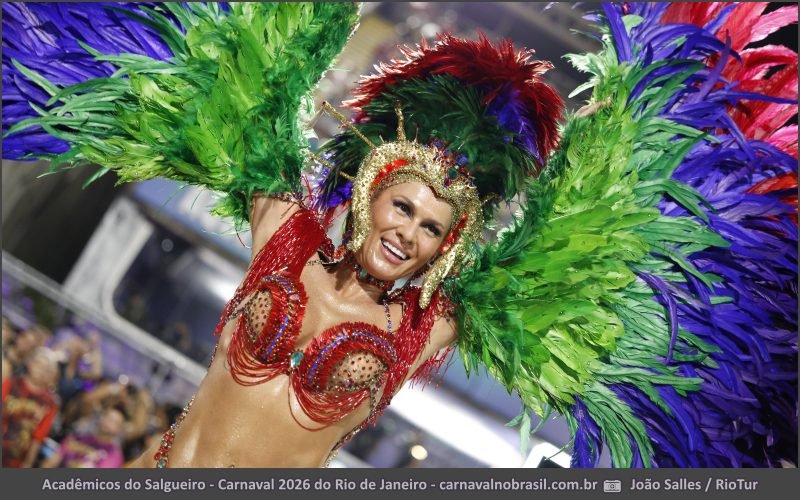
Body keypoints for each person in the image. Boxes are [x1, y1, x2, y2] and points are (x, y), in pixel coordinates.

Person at [3, 3, 796, 469]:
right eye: (402, 207)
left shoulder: (427, 325)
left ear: (449, 243)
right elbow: (247, 101)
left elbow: (558, 274)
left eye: (430, 227)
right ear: (374, 184)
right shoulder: (284, 232)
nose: (407, 232)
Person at [2, 347, 60, 467]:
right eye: (40, 365)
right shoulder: (11, 383)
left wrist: (27, 464)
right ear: (30, 363)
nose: (42, 371)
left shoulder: (50, 403)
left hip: (15, 457)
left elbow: (38, 437)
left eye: (47, 369)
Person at [40, 406, 126, 468]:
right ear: (101, 418)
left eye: (114, 422)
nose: (108, 423)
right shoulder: (78, 438)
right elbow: (52, 461)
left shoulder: (114, 455)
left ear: (119, 430)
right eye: (108, 417)